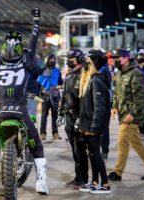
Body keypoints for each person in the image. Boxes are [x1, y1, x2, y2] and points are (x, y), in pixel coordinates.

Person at [0, 8, 48, 195]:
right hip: (20, 110)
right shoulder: (26, 61)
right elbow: (34, 40)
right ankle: (41, 183)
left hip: (1, 112)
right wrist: (35, 19)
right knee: (37, 146)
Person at [108, 49, 144, 181]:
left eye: (117, 58)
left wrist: (132, 113)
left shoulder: (135, 73)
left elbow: (139, 97)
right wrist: (114, 106)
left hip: (132, 115)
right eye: (114, 58)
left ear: (126, 58)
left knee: (122, 141)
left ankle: (118, 172)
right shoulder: (120, 73)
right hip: (123, 113)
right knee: (136, 143)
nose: (115, 60)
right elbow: (116, 93)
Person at [78, 50, 111, 194]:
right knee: (92, 153)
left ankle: (105, 184)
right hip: (88, 124)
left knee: (96, 154)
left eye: (88, 61)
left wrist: (94, 126)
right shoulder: (89, 79)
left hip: (94, 125)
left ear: (94, 63)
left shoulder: (97, 80)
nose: (84, 64)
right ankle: (95, 182)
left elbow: (99, 107)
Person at [57, 48, 88, 189]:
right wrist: (60, 113)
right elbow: (64, 96)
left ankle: (83, 179)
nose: (69, 60)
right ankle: (78, 177)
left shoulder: (84, 75)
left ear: (79, 60)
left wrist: (81, 117)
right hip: (69, 116)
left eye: (71, 58)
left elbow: (85, 99)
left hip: (78, 117)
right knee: (75, 150)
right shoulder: (69, 75)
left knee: (80, 150)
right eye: (68, 57)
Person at [38, 54, 63, 140]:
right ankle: (42, 133)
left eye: (54, 59)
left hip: (55, 96)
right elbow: (39, 83)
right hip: (45, 95)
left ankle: (55, 133)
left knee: (55, 115)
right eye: (51, 59)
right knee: (44, 115)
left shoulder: (58, 71)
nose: (52, 61)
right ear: (47, 60)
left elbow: (61, 82)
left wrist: (60, 86)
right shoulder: (42, 70)